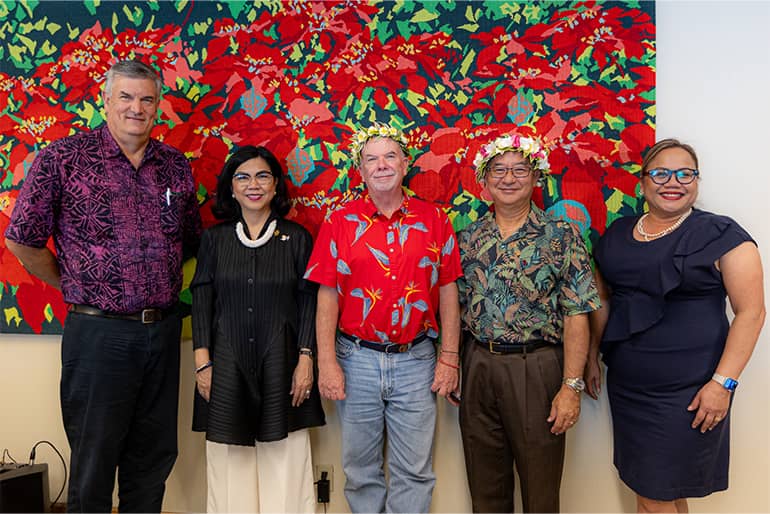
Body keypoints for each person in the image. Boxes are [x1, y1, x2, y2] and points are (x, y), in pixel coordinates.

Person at [4, 60, 201, 512]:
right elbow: (22, 239)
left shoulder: (174, 167)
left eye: (147, 99)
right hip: (98, 334)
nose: (137, 107)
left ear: (158, 106)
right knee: (94, 458)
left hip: (162, 331)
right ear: (106, 101)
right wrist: (72, 280)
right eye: (126, 97)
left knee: (153, 458)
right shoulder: (63, 158)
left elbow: (190, 241)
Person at [585, 138, 765, 513]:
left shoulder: (721, 234)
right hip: (629, 388)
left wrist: (723, 383)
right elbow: (603, 300)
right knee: (659, 491)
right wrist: (590, 356)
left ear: (697, 181)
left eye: (686, 173)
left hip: (690, 393)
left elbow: (751, 313)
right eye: (662, 173)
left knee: (655, 496)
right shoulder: (618, 233)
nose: (674, 182)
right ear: (643, 181)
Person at [304, 123, 462, 513]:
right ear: (360, 170)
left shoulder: (435, 220)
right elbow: (326, 295)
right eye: (371, 159)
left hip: (417, 361)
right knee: (361, 471)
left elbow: (448, 290)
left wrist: (450, 357)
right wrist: (326, 362)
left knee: (415, 471)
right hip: (356, 359)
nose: (381, 165)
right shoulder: (339, 222)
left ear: (405, 163)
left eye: (390, 156)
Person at [457, 134, 600, 513]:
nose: (509, 178)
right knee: (484, 487)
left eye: (520, 169)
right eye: (498, 170)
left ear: (536, 178)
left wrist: (571, 385)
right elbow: (452, 308)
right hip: (478, 364)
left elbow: (577, 312)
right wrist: (453, 363)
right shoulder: (467, 238)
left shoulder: (561, 235)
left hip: (537, 366)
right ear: (484, 181)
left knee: (540, 488)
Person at [190, 145, 325, 513]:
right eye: (243, 176)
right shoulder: (215, 240)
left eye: (263, 175)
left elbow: (309, 301)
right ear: (230, 188)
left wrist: (306, 358)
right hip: (225, 364)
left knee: (284, 461)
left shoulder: (296, 238)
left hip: (283, 363)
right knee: (230, 466)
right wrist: (203, 363)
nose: (253, 184)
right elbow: (201, 298)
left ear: (276, 185)